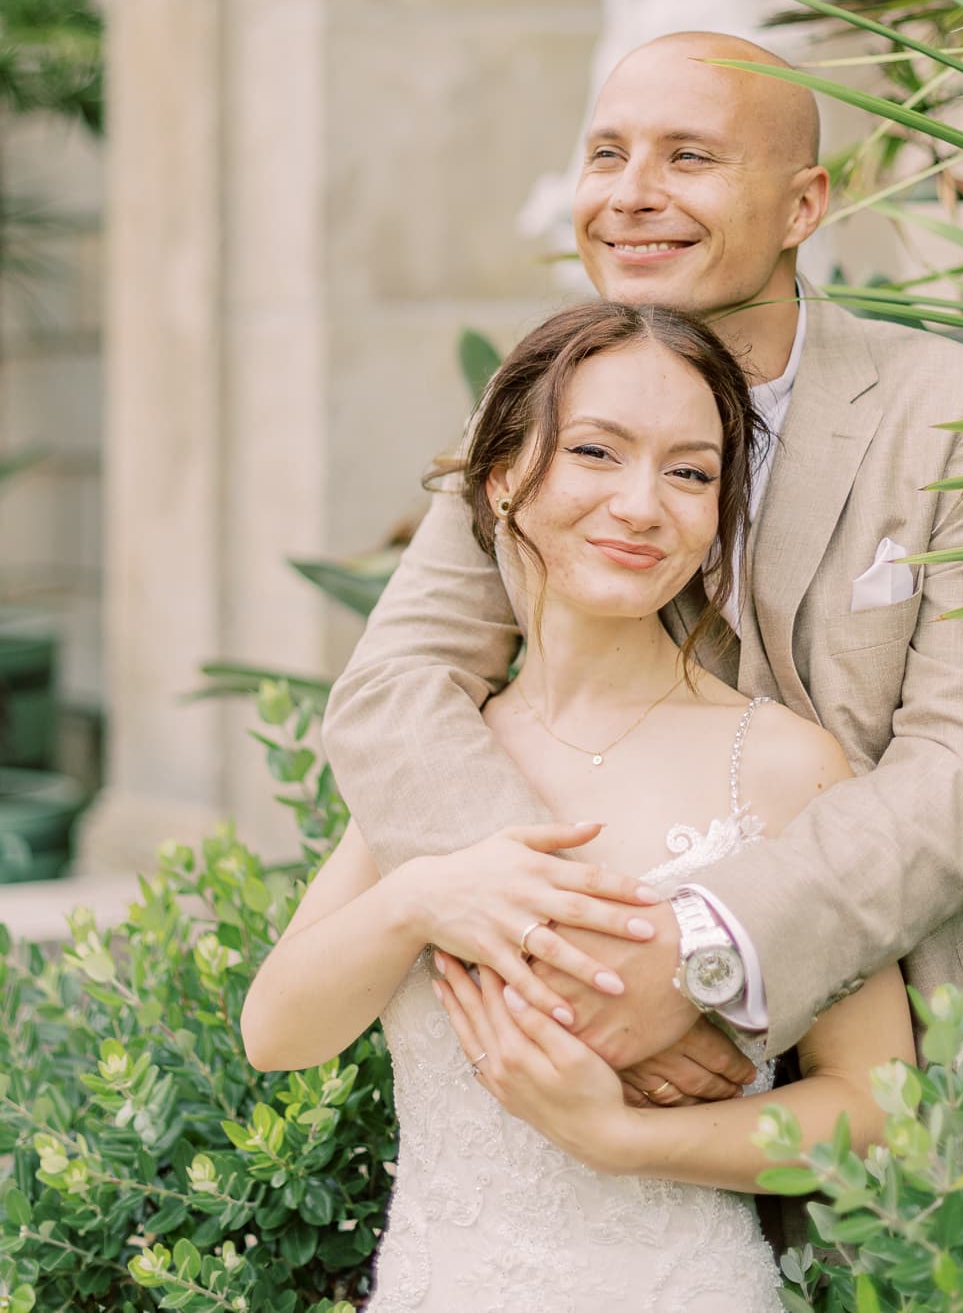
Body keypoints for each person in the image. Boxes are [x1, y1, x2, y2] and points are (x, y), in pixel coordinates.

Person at [320, 29, 963, 1118]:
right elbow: (391, 692)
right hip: (604, 1108)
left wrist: (703, 960)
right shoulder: (541, 416)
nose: (630, 195)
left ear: (805, 206)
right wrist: (585, 968)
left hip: (956, 1096)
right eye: (606, 154)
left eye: (688, 158)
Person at [241, 302, 915, 1311]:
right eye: (597, 452)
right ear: (504, 475)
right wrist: (419, 900)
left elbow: (875, 1107)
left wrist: (627, 1140)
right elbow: (275, 1033)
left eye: (690, 472)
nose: (642, 505)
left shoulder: (782, 764)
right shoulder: (443, 756)